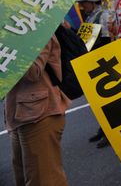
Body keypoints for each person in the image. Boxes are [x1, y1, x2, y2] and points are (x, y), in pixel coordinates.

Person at [5, 35, 70, 186]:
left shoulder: (39, 28)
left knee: (44, 180)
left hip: (41, 114)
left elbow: (33, 72)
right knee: (24, 178)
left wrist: (7, 44)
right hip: (18, 114)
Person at [77, 0, 115, 148]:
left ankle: (111, 135)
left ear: (91, 2)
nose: (81, 6)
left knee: (108, 101)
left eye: (83, 3)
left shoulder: (103, 15)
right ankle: (103, 129)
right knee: (98, 101)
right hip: (93, 61)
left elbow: (107, 40)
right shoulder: (91, 16)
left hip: (103, 63)